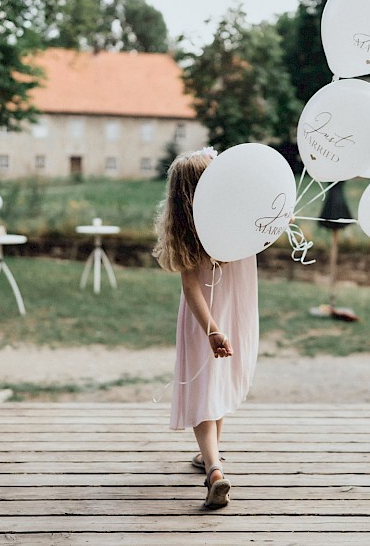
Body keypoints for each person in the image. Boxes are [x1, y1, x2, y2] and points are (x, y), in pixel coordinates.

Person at [152, 148, 260, 510]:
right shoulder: (237, 223)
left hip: (203, 321)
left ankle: (212, 466)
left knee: (204, 387)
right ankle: (211, 457)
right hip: (231, 315)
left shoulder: (188, 229)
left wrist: (210, 330)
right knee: (217, 384)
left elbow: (190, 287)